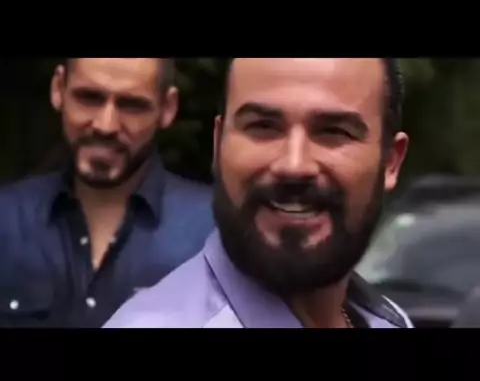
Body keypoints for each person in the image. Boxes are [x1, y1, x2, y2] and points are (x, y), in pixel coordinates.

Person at [105, 57, 413, 329]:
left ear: (390, 162)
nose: (294, 165)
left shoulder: (388, 320)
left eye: (333, 131)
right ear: (218, 144)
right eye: (263, 126)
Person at [0, 57, 214, 328]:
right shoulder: (6, 221)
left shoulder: (214, 234)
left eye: (132, 105)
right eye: (89, 98)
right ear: (58, 88)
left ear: (167, 108)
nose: (106, 125)